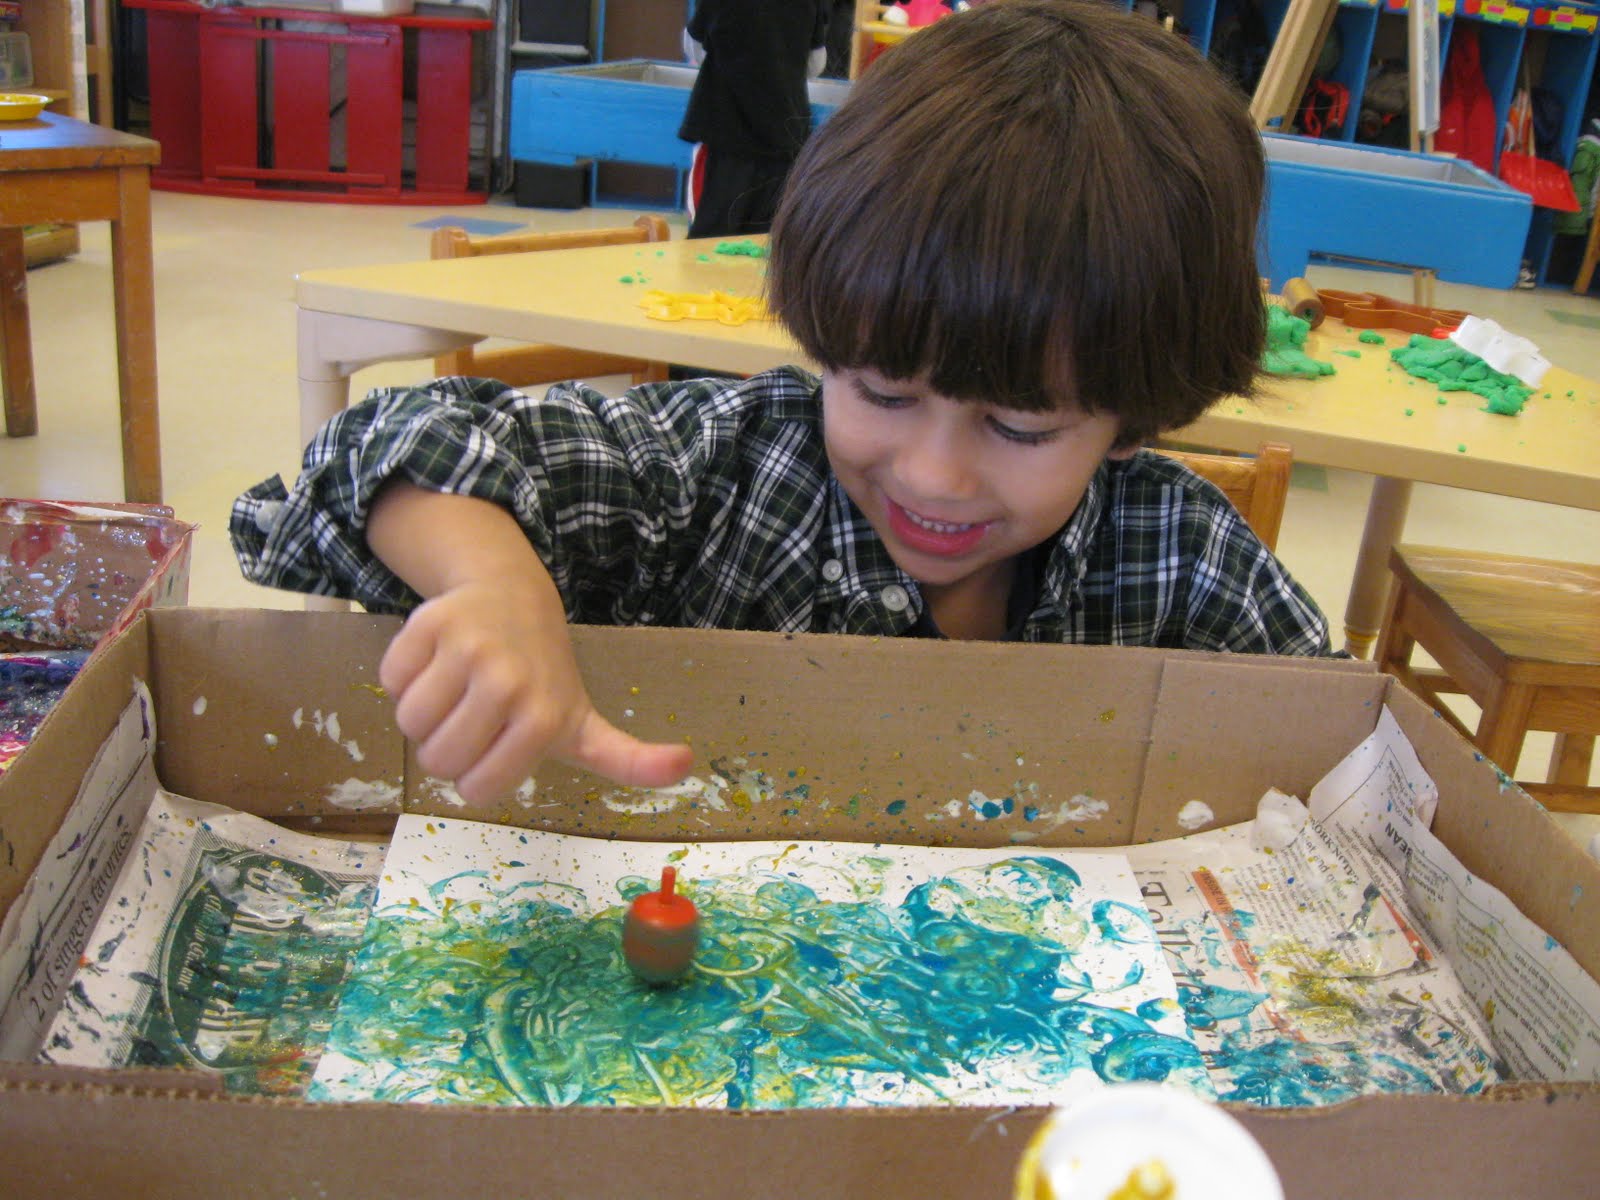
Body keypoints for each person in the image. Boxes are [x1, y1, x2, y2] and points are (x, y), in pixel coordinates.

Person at [232, 0, 1331, 808]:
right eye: (882, 392)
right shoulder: (720, 473)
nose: (933, 473)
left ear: (1131, 418)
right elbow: (380, 447)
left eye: (1020, 427)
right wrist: (494, 582)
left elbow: (1327, 754)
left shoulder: (1183, 560)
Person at [680, 0, 831, 238]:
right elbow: (815, 62)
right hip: (783, 134)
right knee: (766, 239)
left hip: (725, 133)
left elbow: (694, 45)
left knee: (710, 234)